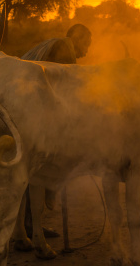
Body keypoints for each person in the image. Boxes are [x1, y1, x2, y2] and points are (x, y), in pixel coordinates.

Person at [20, 23, 92, 244]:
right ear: (77, 38)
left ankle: (25, 227)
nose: (86, 51)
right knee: (42, 168)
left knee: (26, 173)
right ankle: (33, 224)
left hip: (21, 106)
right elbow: (66, 89)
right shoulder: (65, 48)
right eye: (87, 44)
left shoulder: (49, 44)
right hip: (33, 113)